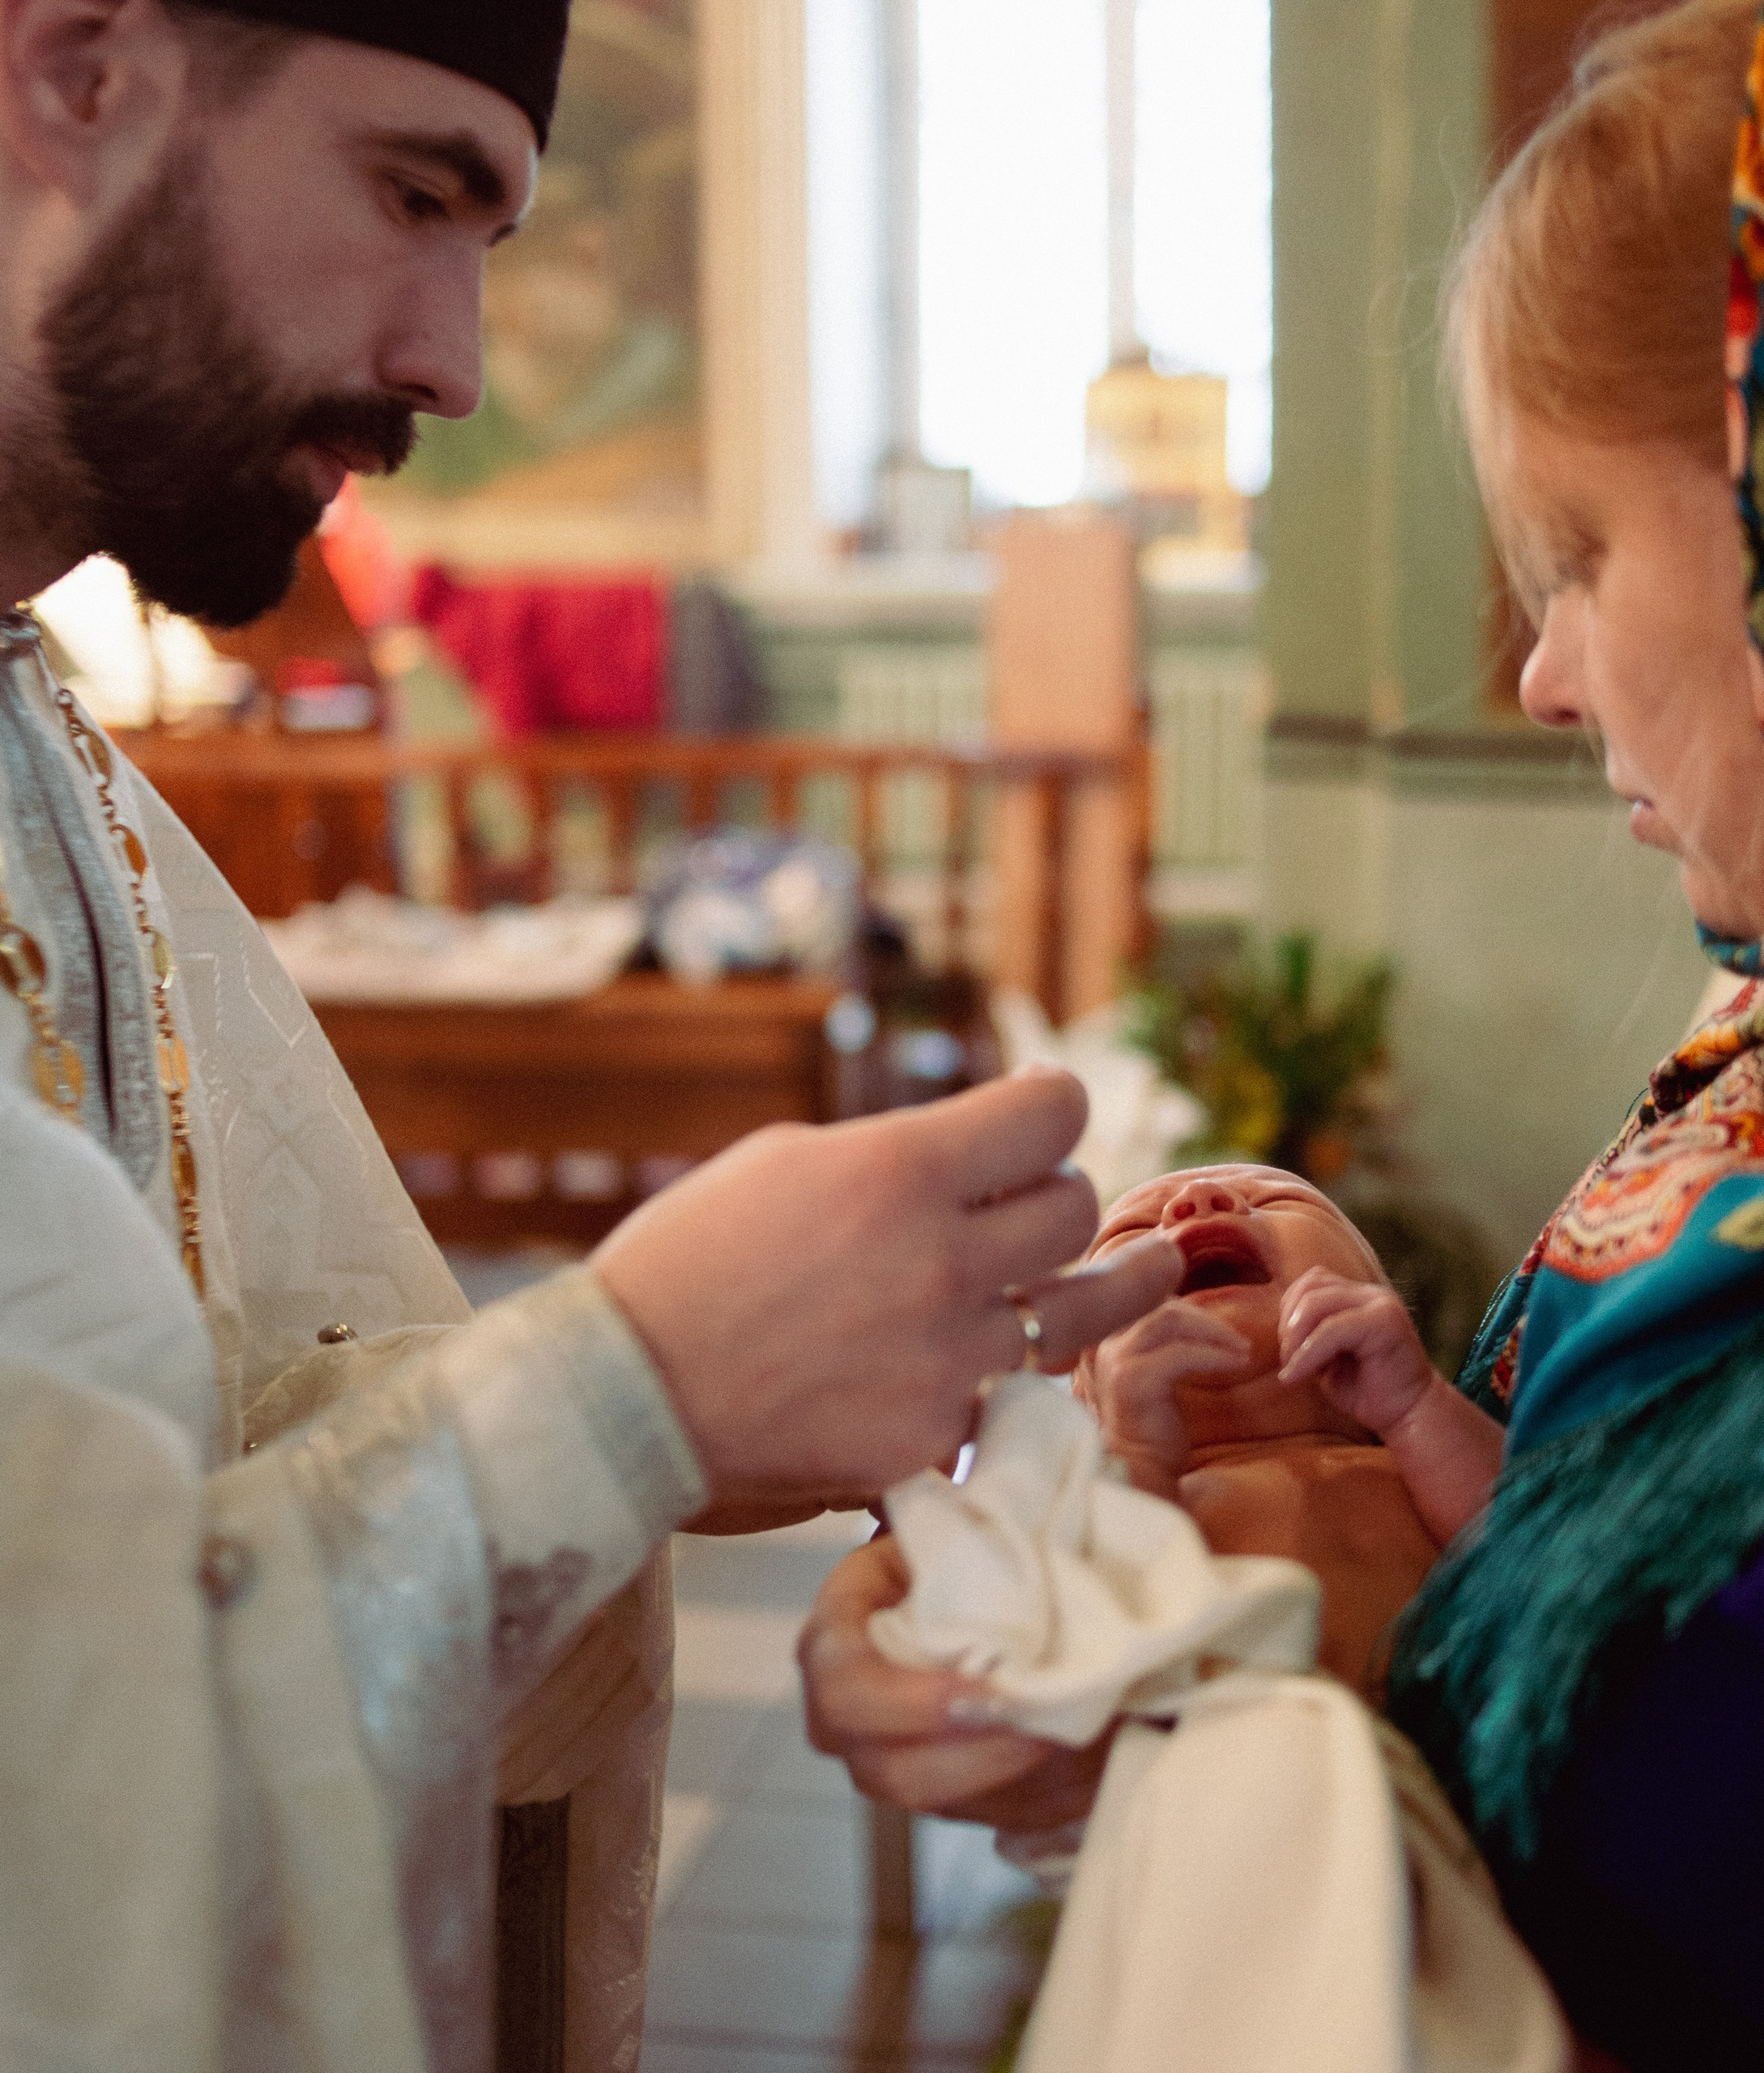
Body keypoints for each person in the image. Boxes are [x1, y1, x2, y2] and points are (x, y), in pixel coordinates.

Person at [802, 4, 1764, 2067]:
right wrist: (1313, 1403)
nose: (1548, 669)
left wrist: (1309, 1655)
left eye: (1576, 552)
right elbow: (1669, 1594)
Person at [0, 6, 1182, 2068]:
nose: (453, 362)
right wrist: (618, 1391)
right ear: (75, 62)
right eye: (407, 188)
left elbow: (160, 1441)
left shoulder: (53, 747)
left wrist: (696, 1388)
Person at [1069, 1164, 1498, 1684]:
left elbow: (1533, 1542)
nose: (1199, 1198)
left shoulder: (1422, 1458)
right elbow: (1086, 1649)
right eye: (1130, 1234)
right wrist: (1133, 1453)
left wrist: (1417, 1403)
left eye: (1278, 1200)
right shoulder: (1116, 1501)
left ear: (1383, 1305)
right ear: (1082, 1393)